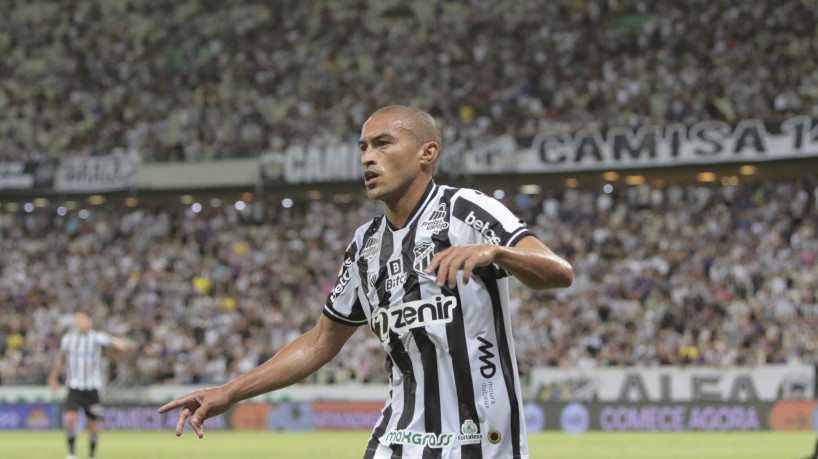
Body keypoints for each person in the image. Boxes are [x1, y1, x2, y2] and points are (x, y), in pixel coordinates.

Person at [159, 105, 573, 458]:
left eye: (383, 143)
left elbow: (557, 270)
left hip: (479, 439)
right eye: (363, 148)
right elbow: (321, 342)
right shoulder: (365, 245)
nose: (367, 158)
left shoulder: (465, 210)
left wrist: (498, 252)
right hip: (400, 436)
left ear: (427, 153)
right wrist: (229, 392)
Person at [49, 310, 136, 459]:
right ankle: (71, 454)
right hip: (74, 387)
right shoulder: (68, 339)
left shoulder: (97, 337)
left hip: (92, 388)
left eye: (81, 319)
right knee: (70, 419)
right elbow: (59, 359)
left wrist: (128, 344)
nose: (78, 322)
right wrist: (53, 378)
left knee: (93, 426)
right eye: (77, 320)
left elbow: (116, 343)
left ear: (89, 322)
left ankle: (91, 455)